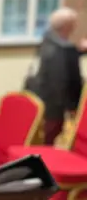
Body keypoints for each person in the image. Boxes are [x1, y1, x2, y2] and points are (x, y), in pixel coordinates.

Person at [27, 8, 84, 146]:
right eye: (74, 23)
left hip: (39, 96)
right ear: (67, 26)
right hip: (55, 104)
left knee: (39, 136)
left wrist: (78, 52)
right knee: (49, 137)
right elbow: (68, 80)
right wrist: (74, 105)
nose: (75, 27)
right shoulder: (66, 49)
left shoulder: (46, 40)